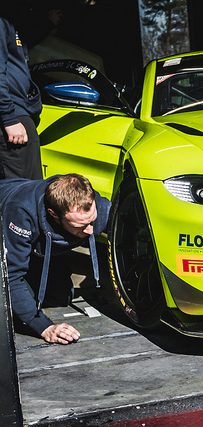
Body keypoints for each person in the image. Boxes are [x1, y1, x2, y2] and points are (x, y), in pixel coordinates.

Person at [0, 173, 110, 344]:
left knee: (60, 297)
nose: (90, 230)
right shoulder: (20, 212)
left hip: (38, 247)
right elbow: (10, 277)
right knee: (13, 308)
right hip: (7, 222)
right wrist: (44, 327)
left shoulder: (96, 205)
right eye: (80, 225)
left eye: (92, 221)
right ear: (54, 214)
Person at [0, 12, 43, 180]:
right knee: (23, 189)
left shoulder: (12, 21)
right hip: (12, 117)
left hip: (17, 113)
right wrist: (9, 118)